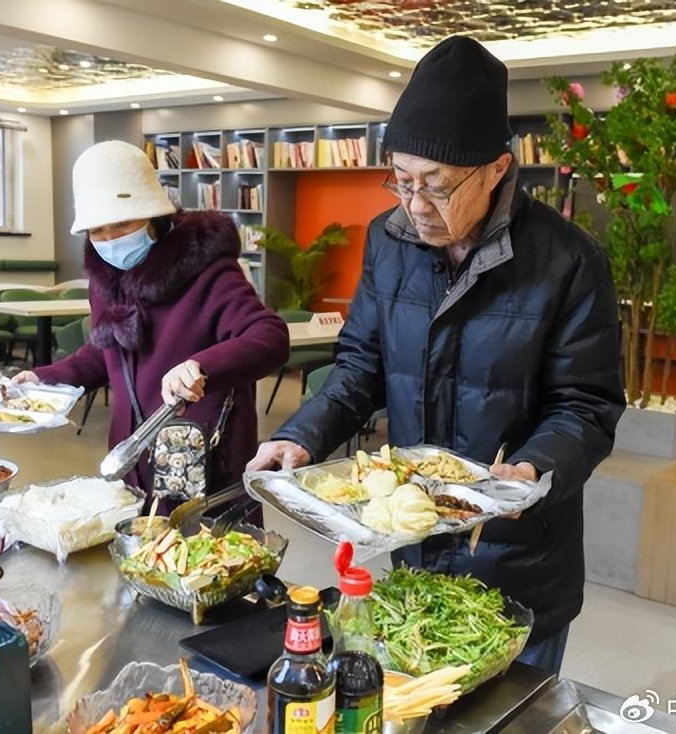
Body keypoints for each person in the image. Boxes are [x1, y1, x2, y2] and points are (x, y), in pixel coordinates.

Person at [247, 36, 626, 675]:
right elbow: (361, 364)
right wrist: (301, 436)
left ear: (498, 169)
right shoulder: (387, 242)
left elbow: (586, 405)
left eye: (437, 186)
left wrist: (534, 468)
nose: (416, 206)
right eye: (401, 181)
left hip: (518, 557)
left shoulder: (569, 261)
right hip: (411, 541)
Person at [14, 140, 289, 501]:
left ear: (155, 216)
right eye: (96, 231)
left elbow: (269, 337)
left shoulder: (206, 270)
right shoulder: (107, 280)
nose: (110, 239)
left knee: (206, 553)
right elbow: (106, 349)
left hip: (203, 457)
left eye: (122, 223)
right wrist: (43, 377)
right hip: (134, 457)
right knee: (138, 549)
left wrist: (200, 366)